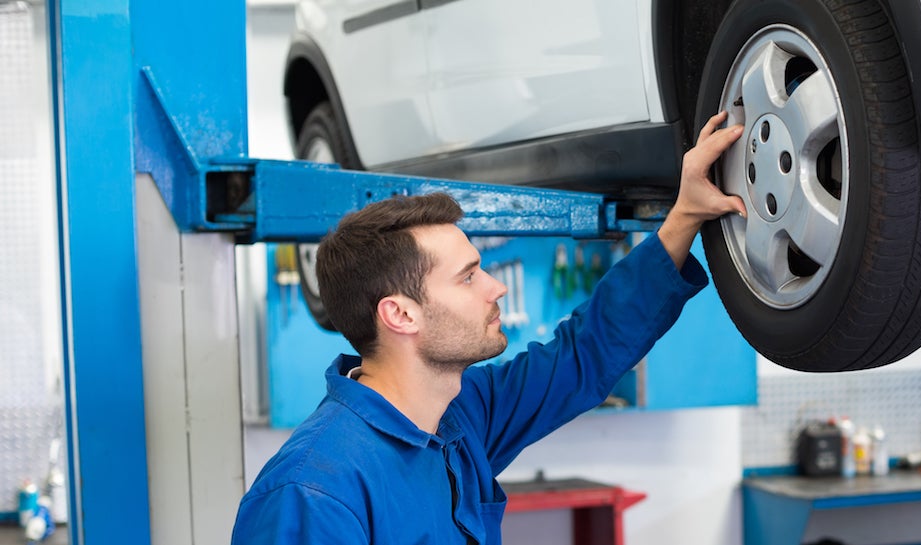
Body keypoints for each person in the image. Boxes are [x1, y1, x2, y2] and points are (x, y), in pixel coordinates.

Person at [231, 112, 746, 544]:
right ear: (401, 315)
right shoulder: (312, 492)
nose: (495, 288)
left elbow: (584, 355)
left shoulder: (460, 415)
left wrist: (684, 216)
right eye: (469, 276)